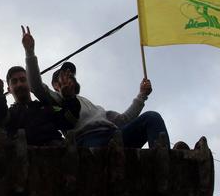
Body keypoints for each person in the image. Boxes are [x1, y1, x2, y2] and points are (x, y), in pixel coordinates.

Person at [21, 25, 169, 149]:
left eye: (71, 73)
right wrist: (30, 52)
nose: (69, 75)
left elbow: (123, 120)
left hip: (115, 136)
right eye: (64, 73)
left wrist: (142, 95)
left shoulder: (95, 107)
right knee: (98, 152)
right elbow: (35, 86)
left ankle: (164, 165)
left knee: (152, 117)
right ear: (55, 85)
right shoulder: (57, 99)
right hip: (88, 140)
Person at [0, 56, 80, 146]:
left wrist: (70, 98)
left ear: (30, 84)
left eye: (23, 80)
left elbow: (69, 121)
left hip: (58, 154)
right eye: (14, 81)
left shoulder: (47, 107)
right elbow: (0, 118)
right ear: (9, 89)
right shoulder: (10, 114)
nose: (19, 84)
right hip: (24, 157)